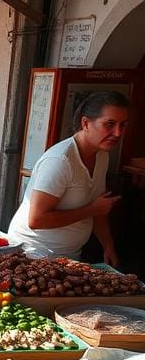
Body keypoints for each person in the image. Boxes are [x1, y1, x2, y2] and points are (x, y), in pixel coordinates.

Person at [7, 91, 127, 263]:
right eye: (110, 124)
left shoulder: (102, 156)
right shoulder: (59, 161)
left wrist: (108, 247)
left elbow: (100, 209)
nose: (117, 133)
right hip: (31, 254)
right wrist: (91, 210)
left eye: (122, 125)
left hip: (69, 256)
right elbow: (36, 219)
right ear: (86, 123)